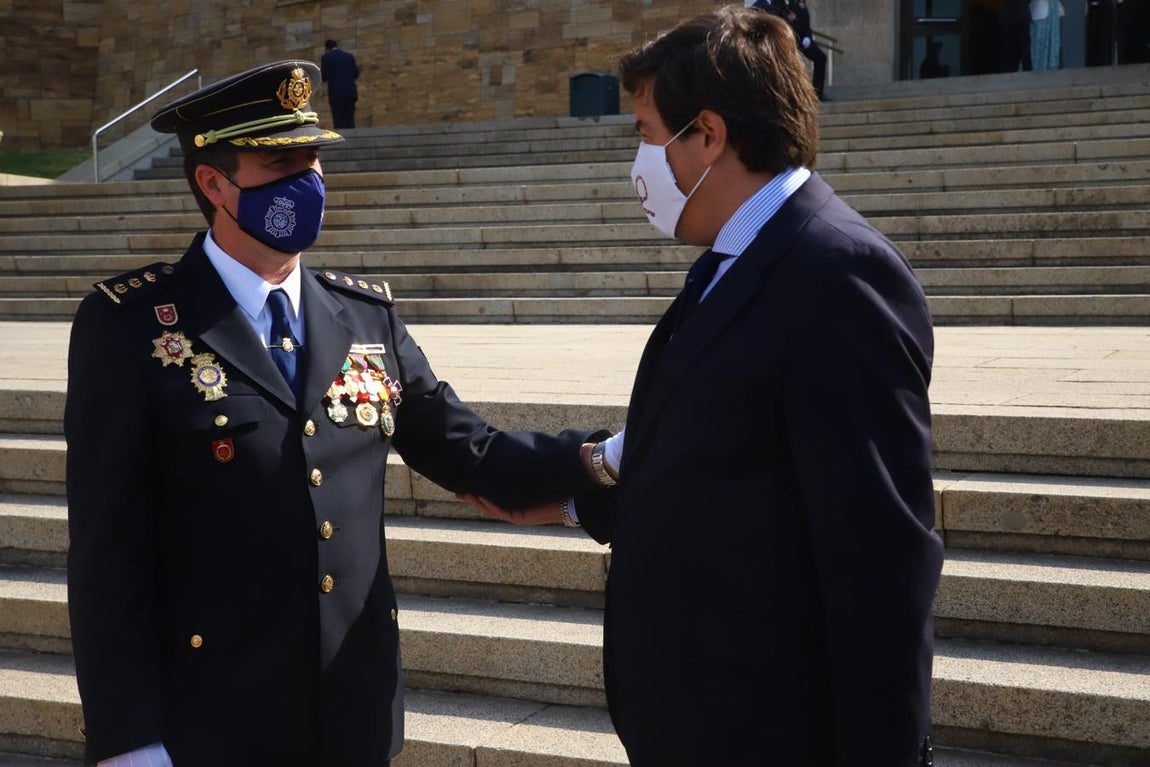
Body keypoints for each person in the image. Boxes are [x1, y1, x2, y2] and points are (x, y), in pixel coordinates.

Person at [64, 60, 607, 767]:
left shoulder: (363, 318)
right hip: (215, 723)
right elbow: (107, 556)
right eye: (281, 162)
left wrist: (604, 460)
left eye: (314, 158)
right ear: (213, 183)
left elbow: (470, 452)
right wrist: (129, 742)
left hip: (354, 715)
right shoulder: (134, 327)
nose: (308, 180)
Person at [462, 7, 943, 765]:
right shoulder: (734, 256)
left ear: (708, 136)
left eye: (648, 133)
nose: (641, 159)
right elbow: (722, 459)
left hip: (773, 730)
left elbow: (879, 561)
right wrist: (575, 496)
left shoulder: (838, 274)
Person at [752, 0, 830, 100]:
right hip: (785, 39)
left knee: (821, 58)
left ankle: (817, 94)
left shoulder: (798, 2)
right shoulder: (774, 3)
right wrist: (789, 19)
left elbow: (805, 21)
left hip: (800, 38)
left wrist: (807, 37)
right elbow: (778, 20)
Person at [320, 39, 359, 128]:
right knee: (350, 119)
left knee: (338, 119)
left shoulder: (326, 58)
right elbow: (356, 74)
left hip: (335, 93)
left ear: (327, 48)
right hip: (350, 92)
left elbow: (324, 76)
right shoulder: (349, 57)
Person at [999, 0, 1035, 72]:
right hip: (1021, 17)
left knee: (1009, 52)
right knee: (1024, 51)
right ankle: (1028, 77)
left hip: (1008, 17)